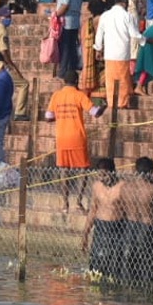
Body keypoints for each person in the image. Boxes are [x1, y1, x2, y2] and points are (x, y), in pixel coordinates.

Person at [119, 156, 153, 286]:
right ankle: (148, 292)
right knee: (149, 263)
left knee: (129, 262)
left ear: (135, 170)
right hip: (147, 229)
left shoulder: (125, 187)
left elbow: (121, 208)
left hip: (129, 227)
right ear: (151, 172)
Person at [46, 70, 93, 212]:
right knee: (82, 170)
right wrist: (103, 106)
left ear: (64, 82)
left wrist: (59, 117)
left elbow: (48, 117)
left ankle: (65, 204)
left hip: (61, 138)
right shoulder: (79, 95)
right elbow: (94, 112)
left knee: (63, 171)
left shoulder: (56, 96)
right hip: (77, 137)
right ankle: (78, 202)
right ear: (77, 82)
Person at [94, 0, 141, 109]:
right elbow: (134, 34)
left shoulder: (105, 15)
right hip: (122, 53)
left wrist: (98, 49)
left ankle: (112, 103)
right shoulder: (127, 16)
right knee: (123, 79)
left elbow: (99, 34)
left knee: (110, 80)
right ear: (125, 4)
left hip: (109, 53)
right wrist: (146, 40)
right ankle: (122, 103)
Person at [82, 157, 125, 282]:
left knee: (113, 267)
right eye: (99, 175)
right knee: (96, 266)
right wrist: (85, 233)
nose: (102, 178)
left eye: (104, 175)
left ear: (112, 172)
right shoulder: (96, 186)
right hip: (100, 228)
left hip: (117, 229)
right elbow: (93, 210)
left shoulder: (122, 187)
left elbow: (129, 212)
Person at [53, 0, 82, 79]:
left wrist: (56, 14)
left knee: (65, 48)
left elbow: (65, 5)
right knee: (72, 48)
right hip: (75, 21)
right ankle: (72, 70)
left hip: (67, 22)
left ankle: (63, 72)